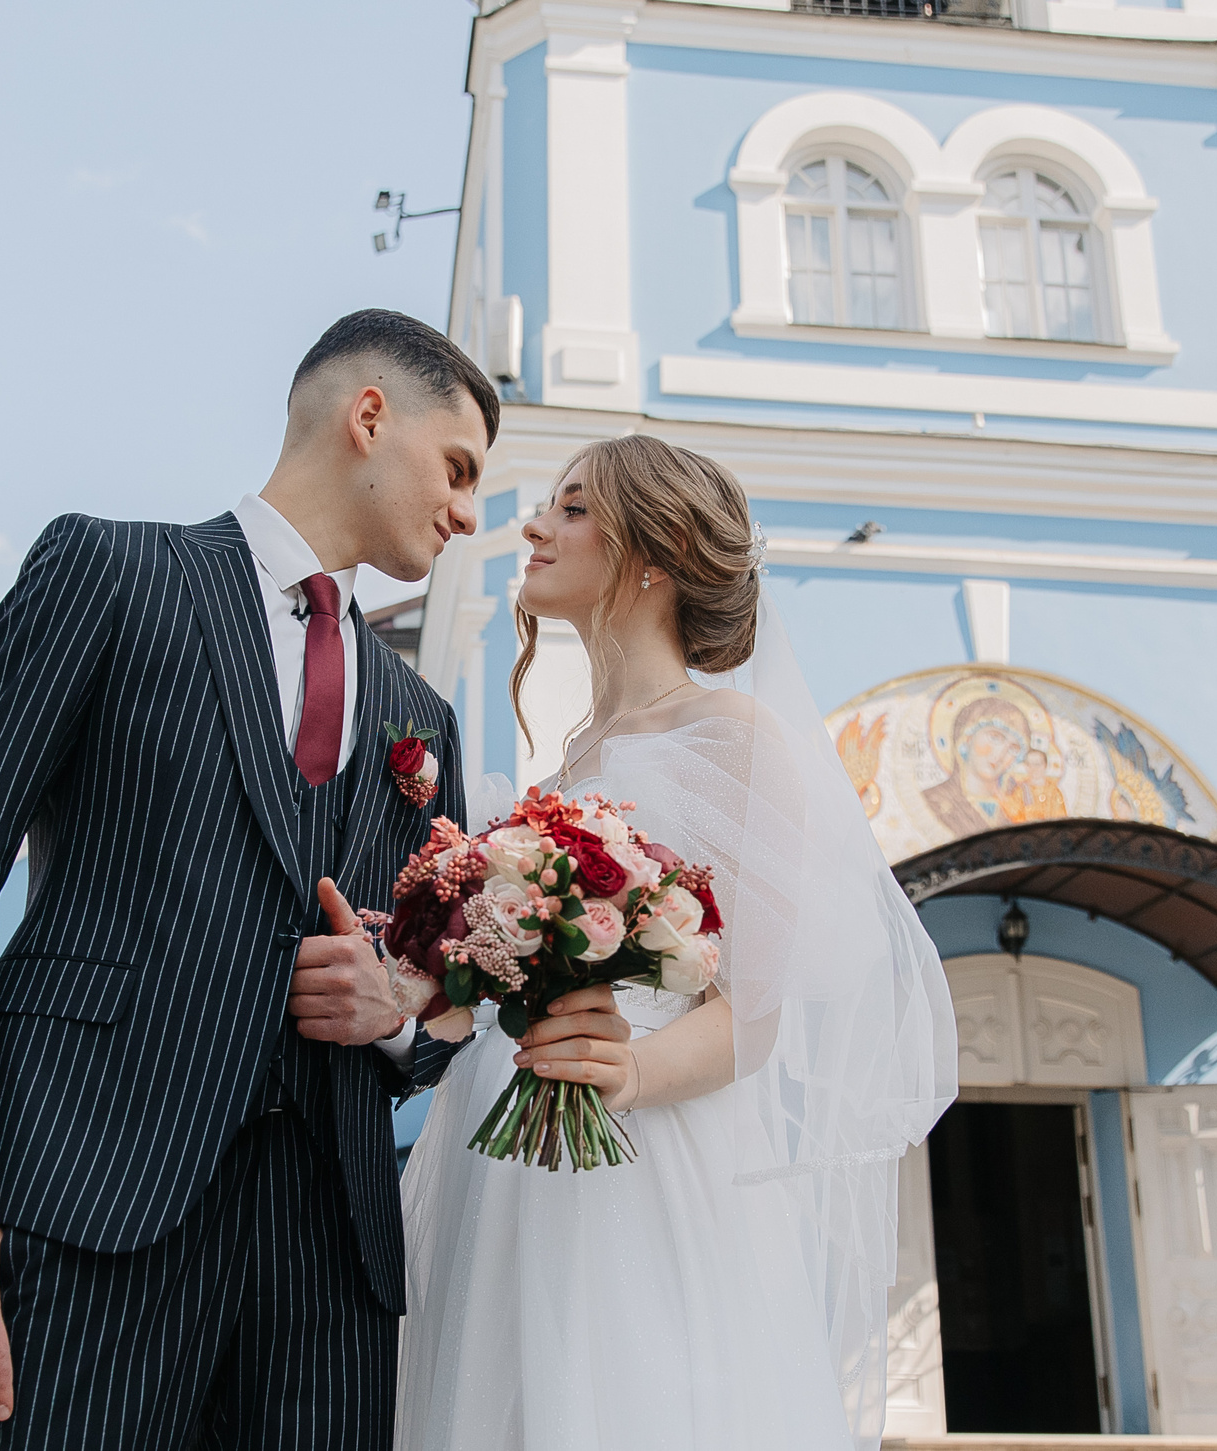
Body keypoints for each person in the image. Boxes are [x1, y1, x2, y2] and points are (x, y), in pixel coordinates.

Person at [0, 310, 496, 1447]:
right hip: (87, 1208)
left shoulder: (420, 718)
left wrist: (395, 1020)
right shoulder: (108, 570)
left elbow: (445, 1004)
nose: (468, 511)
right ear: (369, 416)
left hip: (327, 1268)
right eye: (459, 466)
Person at [395, 434, 959, 1451]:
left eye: (571, 508)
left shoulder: (731, 739)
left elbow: (755, 1016)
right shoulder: (569, 759)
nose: (534, 525)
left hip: (638, 1158)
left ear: (652, 554)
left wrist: (626, 1073)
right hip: (503, 1146)